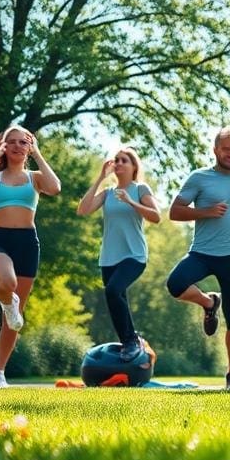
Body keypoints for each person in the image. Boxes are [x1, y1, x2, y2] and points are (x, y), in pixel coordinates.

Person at [0, 126, 61, 387]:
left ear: (29, 147)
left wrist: (38, 154)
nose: (18, 146)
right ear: (4, 146)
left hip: (27, 244)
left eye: (23, 142)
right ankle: (9, 301)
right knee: (8, 283)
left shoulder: (35, 177)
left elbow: (55, 188)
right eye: (12, 142)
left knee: (13, 323)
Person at [166, 127, 230, 391]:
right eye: (226, 149)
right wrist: (206, 211)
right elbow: (175, 211)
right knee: (175, 284)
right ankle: (209, 301)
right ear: (215, 150)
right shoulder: (199, 178)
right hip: (202, 253)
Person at [77, 146, 161, 360]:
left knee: (114, 290)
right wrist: (100, 179)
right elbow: (83, 210)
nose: (119, 163)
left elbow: (156, 216)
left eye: (124, 160)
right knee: (114, 296)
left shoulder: (140, 189)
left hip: (134, 255)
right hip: (108, 258)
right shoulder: (107, 194)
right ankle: (129, 341)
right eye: (117, 160)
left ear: (134, 166)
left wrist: (131, 202)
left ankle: (131, 340)